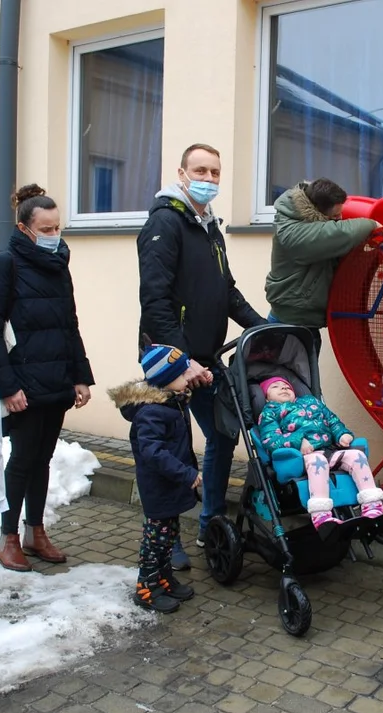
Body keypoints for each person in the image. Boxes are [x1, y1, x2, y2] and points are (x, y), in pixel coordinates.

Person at [136, 143, 267, 567]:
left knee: (223, 434)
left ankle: (210, 518)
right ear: (181, 172)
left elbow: (225, 290)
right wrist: (181, 358)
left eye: (215, 172)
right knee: (170, 449)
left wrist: (262, 327)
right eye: (201, 171)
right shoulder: (165, 223)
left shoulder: (208, 226)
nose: (209, 179)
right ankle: (166, 535)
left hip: (206, 360)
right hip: (170, 364)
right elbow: (154, 300)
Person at [0, 184, 95, 572]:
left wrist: (80, 376)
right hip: (23, 386)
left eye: (58, 228)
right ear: (25, 229)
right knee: (23, 459)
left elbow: (70, 324)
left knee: (42, 459)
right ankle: (7, 537)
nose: (54, 236)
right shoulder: (4, 264)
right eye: (46, 229)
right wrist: (7, 386)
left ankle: (35, 531)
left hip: (57, 380)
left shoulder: (59, 265)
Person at [109, 344, 202, 613]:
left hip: (170, 486)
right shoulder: (151, 412)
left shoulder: (171, 403)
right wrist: (186, 473)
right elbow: (154, 453)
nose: (187, 378)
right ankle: (147, 588)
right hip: (159, 487)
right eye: (182, 374)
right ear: (165, 379)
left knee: (168, 536)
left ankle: (163, 579)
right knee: (155, 541)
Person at [264, 178, 383, 352]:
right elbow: (339, 233)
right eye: (335, 216)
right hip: (286, 327)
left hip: (306, 325)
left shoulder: (319, 219)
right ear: (318, 213)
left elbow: (359, 231)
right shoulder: (292, 233)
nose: (341, 219)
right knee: (282, 379)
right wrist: (371, 224)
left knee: (302, 379)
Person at [256, 377, 383, 534]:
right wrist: (298, 441)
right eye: (275, 387)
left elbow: (332, 421)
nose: (283, 388)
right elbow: (270, 440)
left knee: (356, 456)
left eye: (287, 386)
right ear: (266, 397)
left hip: (329, 450)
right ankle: (321, 514)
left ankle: (372, 505)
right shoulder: (270, 412)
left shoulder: (311, 401)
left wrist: (341, 434)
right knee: (318, 461)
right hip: (297, 458)